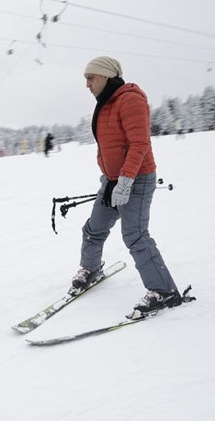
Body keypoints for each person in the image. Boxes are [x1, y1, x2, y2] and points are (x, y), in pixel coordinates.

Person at [74, 55, 181, 319]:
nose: (87, 84)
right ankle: (91, 268)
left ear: (105, 76)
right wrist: (113, 178)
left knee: (135, 235)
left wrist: (127, 179)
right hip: (111, 180)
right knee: (94, 228)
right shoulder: (105, 103)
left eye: (90, 78)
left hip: (137, 178)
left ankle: (162, 291)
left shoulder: (130, 99)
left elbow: (139, 143)